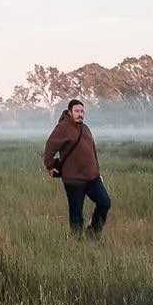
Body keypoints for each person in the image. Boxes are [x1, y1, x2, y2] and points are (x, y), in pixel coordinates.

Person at [42, 98, 110, 237]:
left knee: (105, 202)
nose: (80, 114)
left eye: (82, 111)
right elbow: (50, 146)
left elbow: (92, 152)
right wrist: (49, 165)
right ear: (69, 112)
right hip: (74, 180)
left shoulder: (85, 128)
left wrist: (97, 172)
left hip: (92, 178)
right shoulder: (63, 128)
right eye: (77, 111)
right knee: (76, 214)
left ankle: (92, 234)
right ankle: (77, 242)